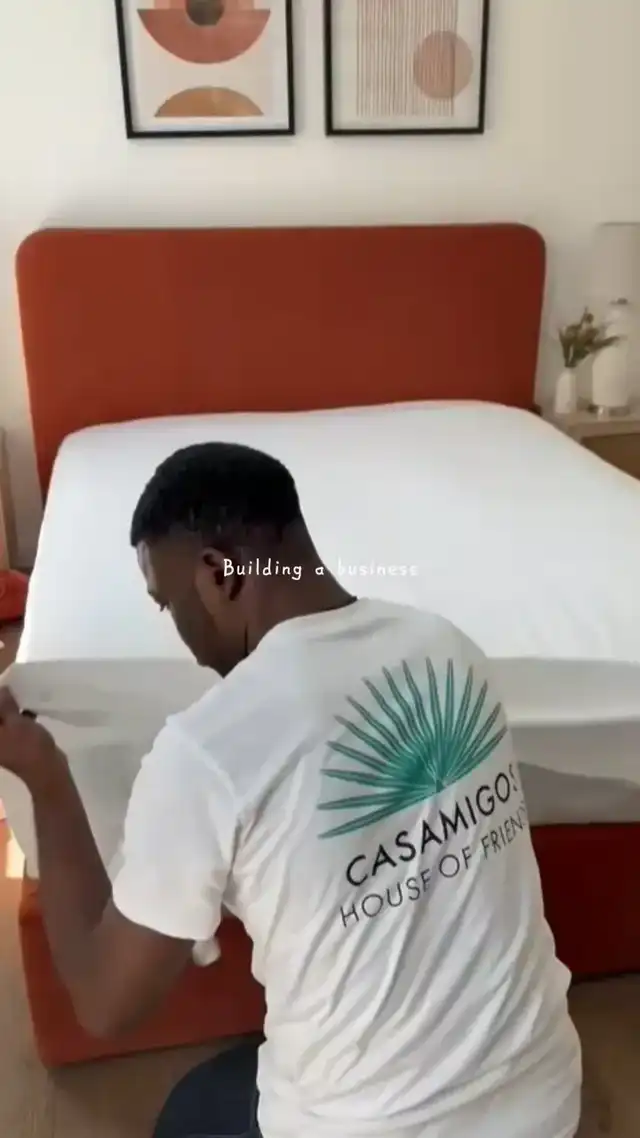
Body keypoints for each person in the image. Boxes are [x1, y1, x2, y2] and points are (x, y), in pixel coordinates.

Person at [0, 442, 582, 1138]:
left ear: (220, 575)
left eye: (169, 604)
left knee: (189, 1112)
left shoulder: (208, 749)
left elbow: (103, 1003)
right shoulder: (449, 645)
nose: (182, 634)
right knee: (235, 1077)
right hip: (546, 1102)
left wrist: (45, 774)